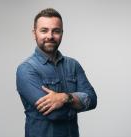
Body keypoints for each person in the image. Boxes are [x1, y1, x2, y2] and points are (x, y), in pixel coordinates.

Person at [16, 8, 97, 137]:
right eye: (44, 30)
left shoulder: (73, 65)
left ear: (62, 33)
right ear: (34, 33)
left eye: (56, 31)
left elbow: (92, 100)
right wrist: (77, 103)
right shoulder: (26, 69)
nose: (50, 36)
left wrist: (65, 97)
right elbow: (54, 114)